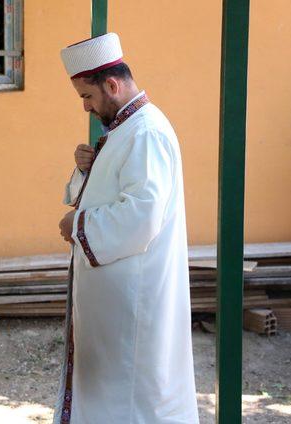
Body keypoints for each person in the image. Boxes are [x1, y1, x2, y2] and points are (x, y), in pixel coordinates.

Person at [54, 33, 199, 423]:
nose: (86, 106)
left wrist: (78, 223)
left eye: (87, 96)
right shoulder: (124, 129)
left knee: (134, 402)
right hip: (116, 300)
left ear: (112, 85)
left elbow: (142, 215)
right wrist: (86, 168)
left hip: (134, 303)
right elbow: (111, 191)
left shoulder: (146, 132)